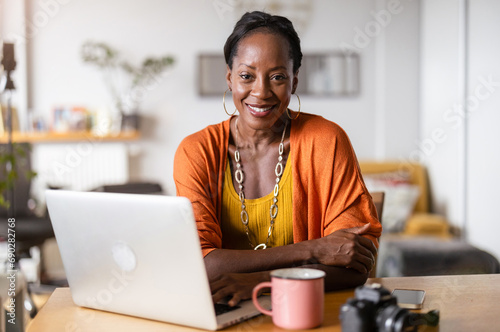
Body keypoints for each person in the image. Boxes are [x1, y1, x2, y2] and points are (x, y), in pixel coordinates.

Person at [174, 11, 382, 306]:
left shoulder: (326, 140)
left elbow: (353, 267)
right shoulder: (196, 151)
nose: (261, 92)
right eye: (247, 76)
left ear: (294, 82)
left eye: (277, 77)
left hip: (308, 310)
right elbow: (202, 265)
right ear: (230, 78)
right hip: (224, 311)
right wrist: (313, 250)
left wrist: (259, 281)